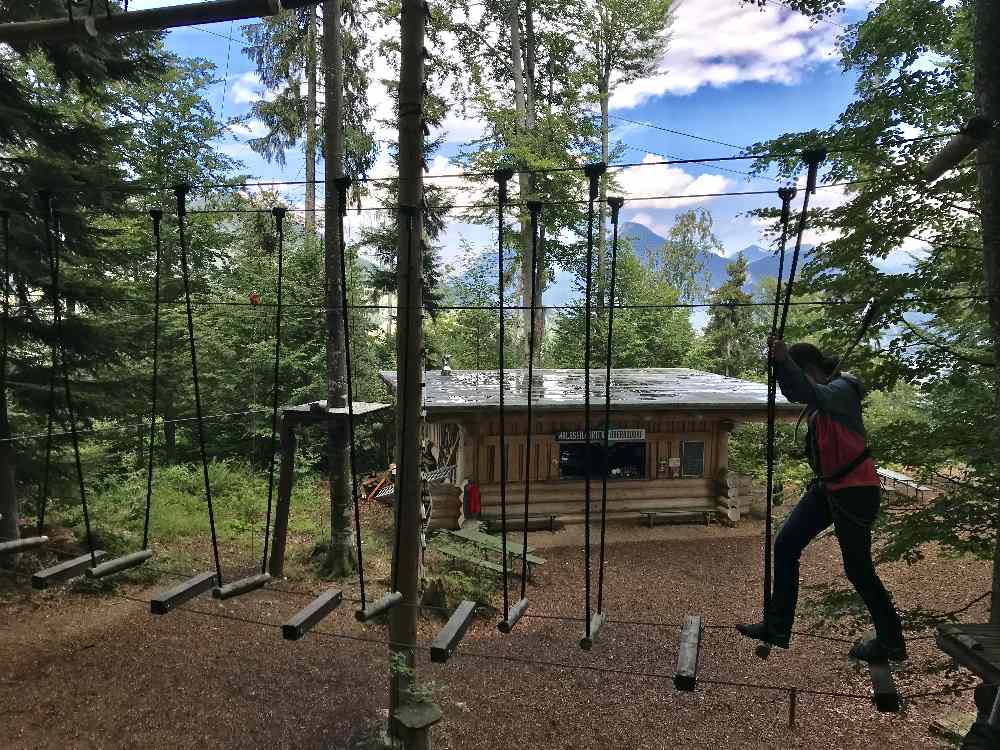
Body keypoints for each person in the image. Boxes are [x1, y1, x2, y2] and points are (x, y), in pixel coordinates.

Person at [736, 338, 906, 664]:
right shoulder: (822, 401)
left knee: (858, 568)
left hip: (855, 489)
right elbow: (800, 394)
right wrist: (783, 368)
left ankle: (891, 641)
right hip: (830, 488)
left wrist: (783, 361)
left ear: (811, 370)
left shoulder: (841, 390)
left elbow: (803, 391)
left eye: (799, 375)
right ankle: (777, 626)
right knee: (786, 544)